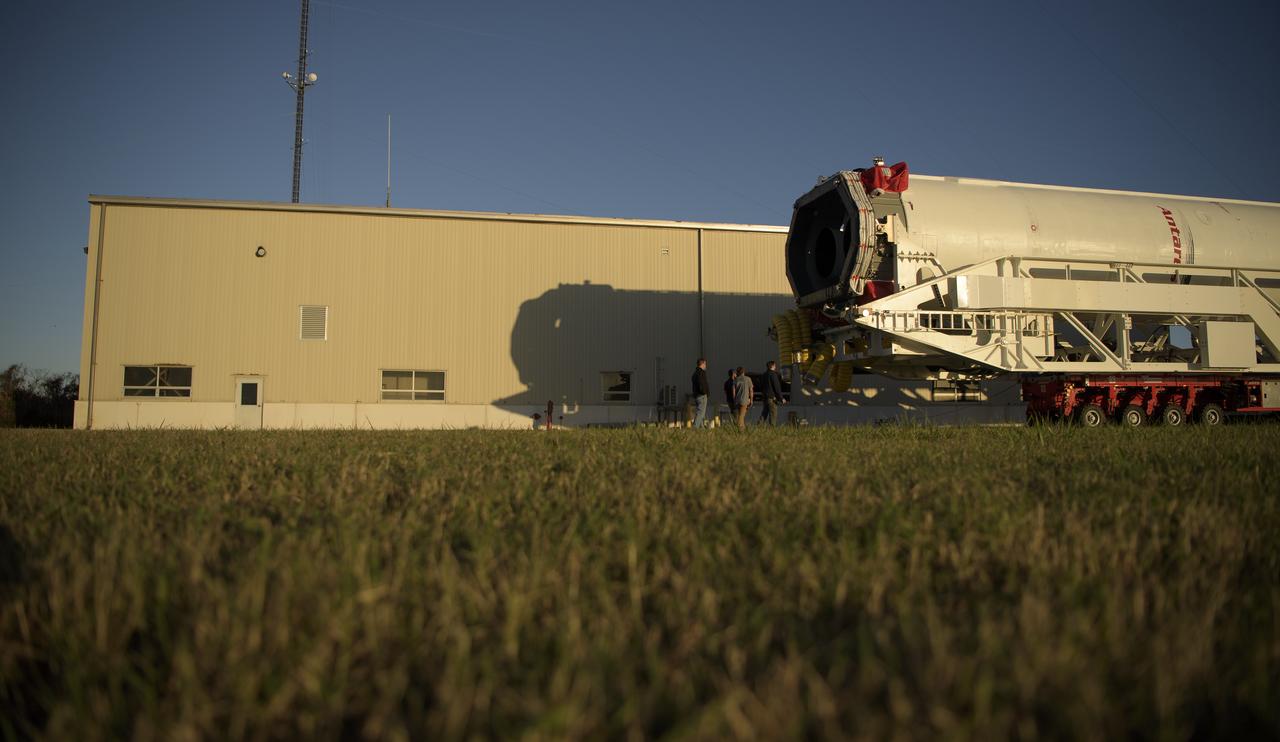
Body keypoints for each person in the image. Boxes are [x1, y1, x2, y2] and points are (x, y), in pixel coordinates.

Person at [761, 360, 785, 426]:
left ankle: (759, 425)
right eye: (775, 365)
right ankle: (772, 429)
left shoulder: (764, 375)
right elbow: (777, 387)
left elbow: (761, 386)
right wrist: (781, 398)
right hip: (772, 398)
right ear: (772, 366)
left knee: (764, 413)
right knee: (773, 413)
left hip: (765, 397)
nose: (775, 366)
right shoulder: (773, 374)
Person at [691, 358, 710, 428]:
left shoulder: (695, 373)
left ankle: (701, 429)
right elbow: (702, 384)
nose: (706, 366)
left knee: (701, 413)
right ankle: (695, 427)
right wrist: (704, 392)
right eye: (705, 364)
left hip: (696, 395)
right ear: (702, 364)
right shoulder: (701, 373)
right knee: (700, 413)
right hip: (701, 395)